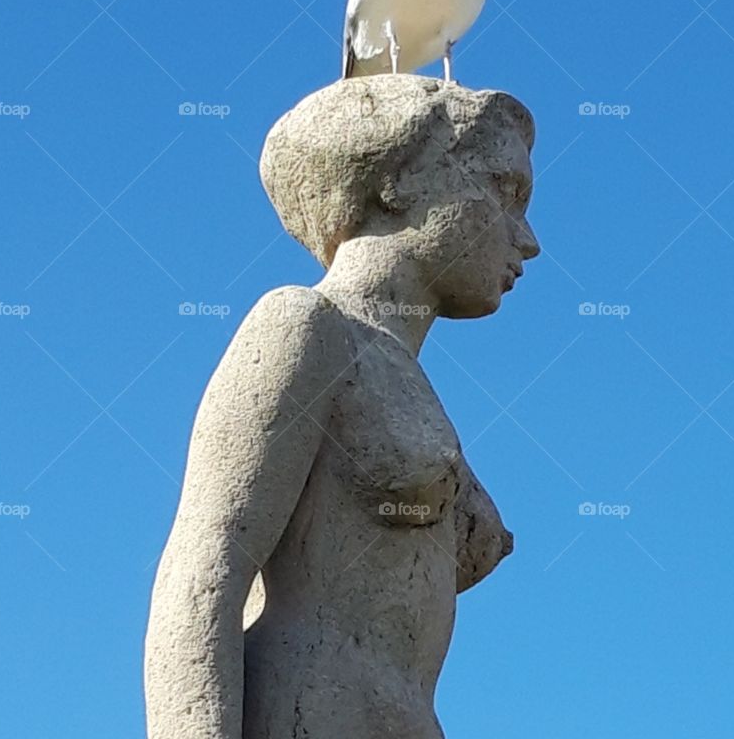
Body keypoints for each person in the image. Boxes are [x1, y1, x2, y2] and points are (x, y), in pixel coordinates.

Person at [145, 75, 541, 738]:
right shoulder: (304, 327)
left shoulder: (410, 384)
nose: (526, 239)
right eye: (503, 192)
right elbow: (205, 567)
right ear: (398, 182)